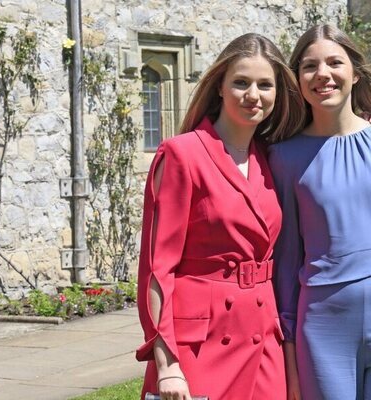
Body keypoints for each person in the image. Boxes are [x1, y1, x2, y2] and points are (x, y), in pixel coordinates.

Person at [136, 33, 305, 400]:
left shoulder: (270, 158)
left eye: (265, 85)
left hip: (263, 340)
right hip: (201, 345)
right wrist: (168, 365)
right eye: (241, 83)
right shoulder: (183, 154)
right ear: (219, 88)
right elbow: (157, 268)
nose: (253, 95)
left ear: (278, 94)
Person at [269, 24, 371, 400]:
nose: (322, 74)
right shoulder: (284, 157)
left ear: (355, 72)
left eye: (334, 62)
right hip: (324, 330)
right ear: (297, 79)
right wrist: (290, 353)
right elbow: (285, 262)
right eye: (310, 66)